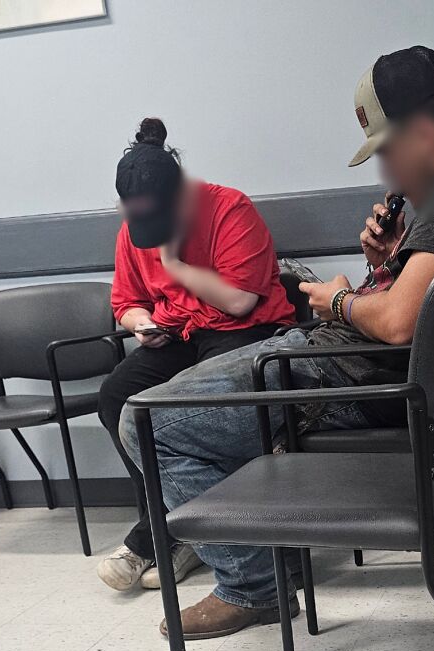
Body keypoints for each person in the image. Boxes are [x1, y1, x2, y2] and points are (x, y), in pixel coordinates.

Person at [118, 46, 434, 638]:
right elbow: (423, 308)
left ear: (422, 132)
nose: (385, 171)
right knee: (177, 408)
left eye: (385, 152)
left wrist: (335, 299)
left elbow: (399, 324)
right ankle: (269, 556)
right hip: (349, 370)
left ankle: (254, 586)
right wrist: (387, 263)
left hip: (338, 378)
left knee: (143, 421)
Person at [96, 118, 295, 592]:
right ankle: (179, 529)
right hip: (177, 333)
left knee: (198, 407)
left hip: (245, 330)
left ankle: (163, 536)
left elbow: (240, 301)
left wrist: (174, 264)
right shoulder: (132, 229)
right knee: (118, 397)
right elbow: (126, 302)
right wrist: (141, 323)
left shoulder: (229, 208)